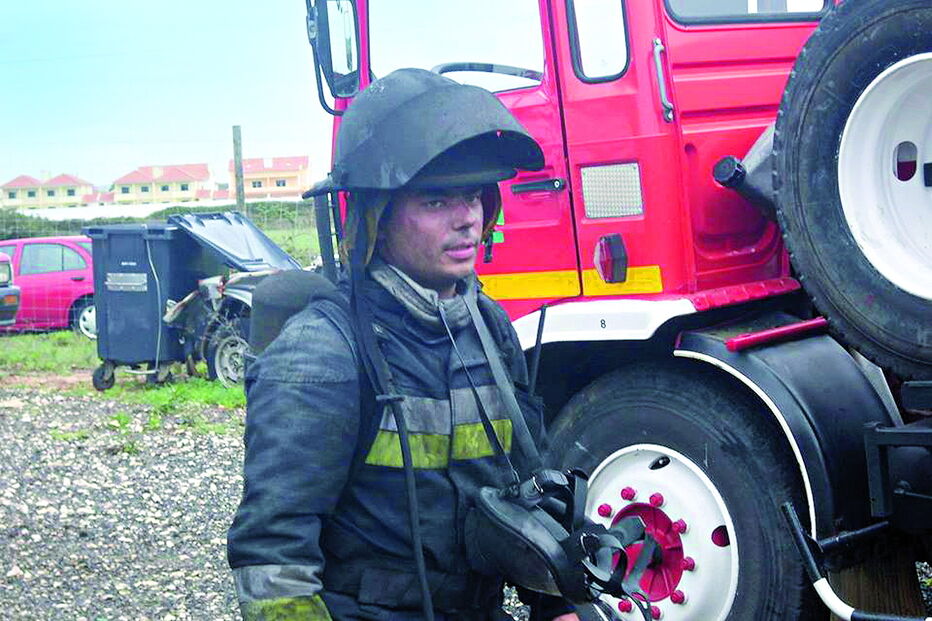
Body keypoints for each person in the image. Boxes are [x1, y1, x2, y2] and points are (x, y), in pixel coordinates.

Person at [227, 68, 578, 621]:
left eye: (473, 196)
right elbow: (274, 555)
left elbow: (527, 485)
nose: (467, 220)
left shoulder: (488, 328)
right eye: (436, 202)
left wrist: (557, 603)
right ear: (377, 219)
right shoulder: (321, 352)